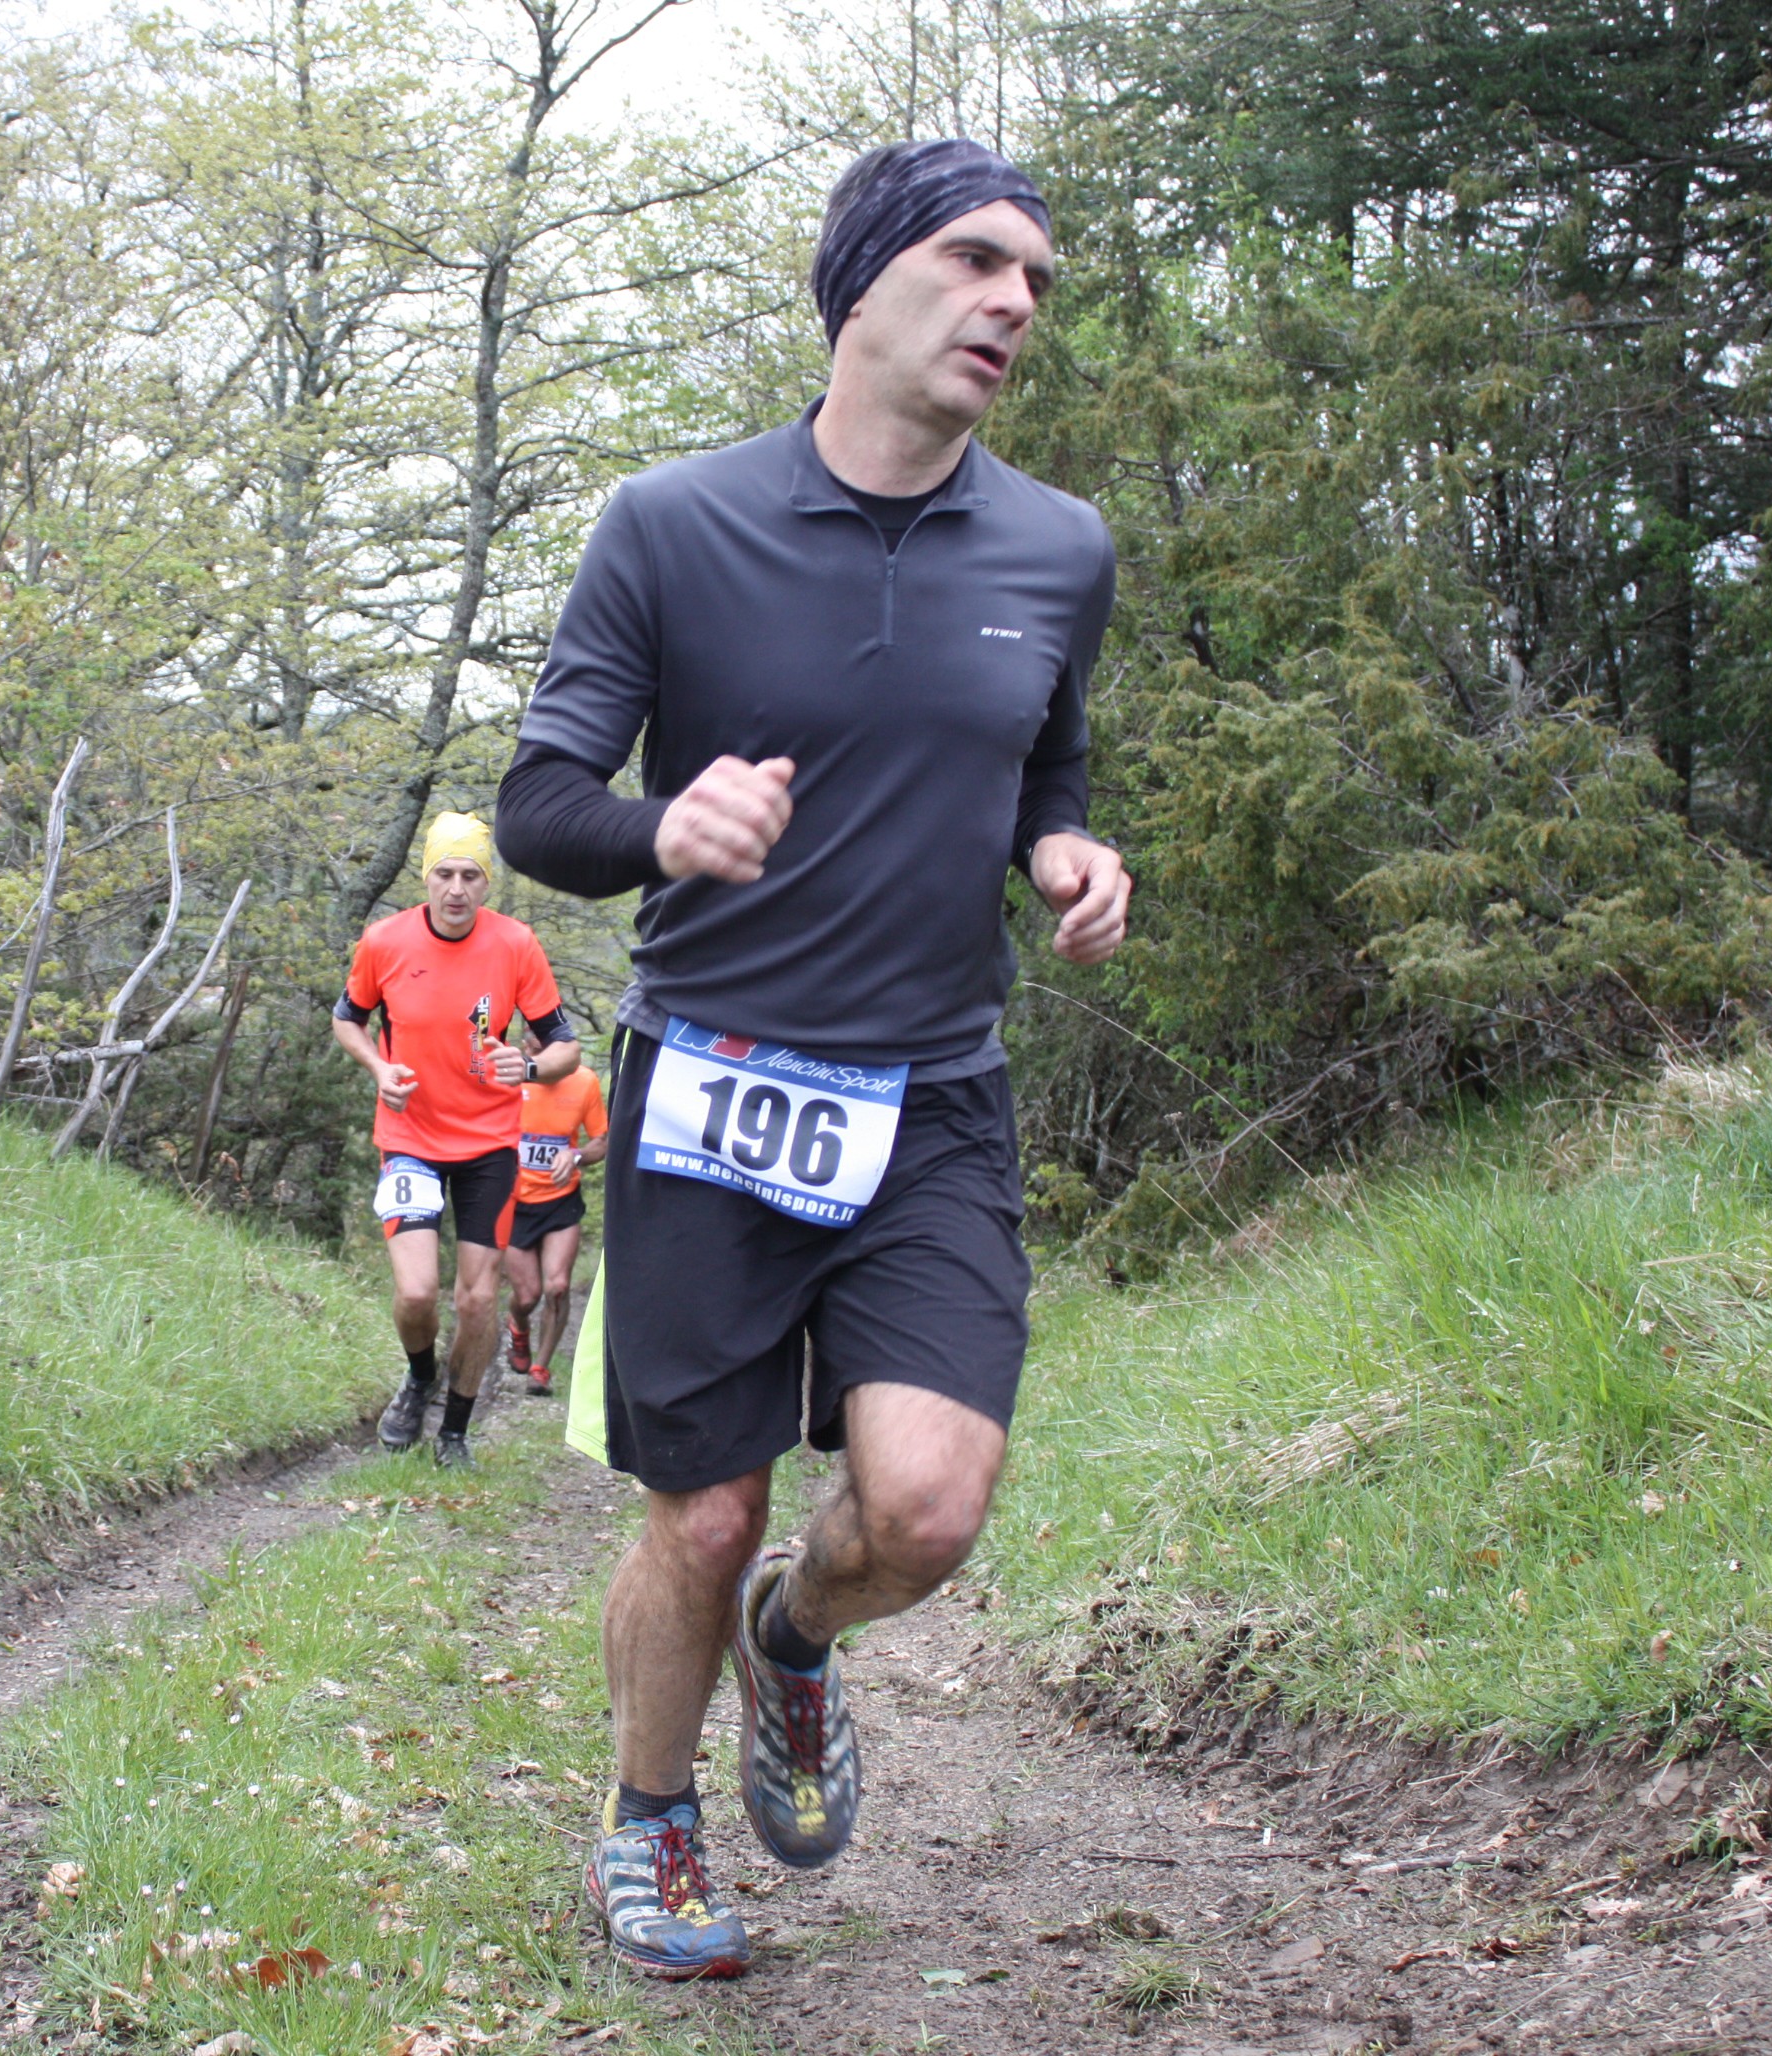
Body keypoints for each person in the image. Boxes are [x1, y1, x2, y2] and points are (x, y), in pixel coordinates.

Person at [494, 137, 1133, 1981]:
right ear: (859, 284)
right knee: (699, 1508)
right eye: (975, 261)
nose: (1013, 300)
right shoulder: (671, 524)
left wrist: (1066, 856)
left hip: (930, 1099)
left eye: (1035, 278)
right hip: (710, 1082)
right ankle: (649, 1818)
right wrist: (659, 830)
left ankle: (794, 1644)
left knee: (923, 1506)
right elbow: (543, 800)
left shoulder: (1056, 546)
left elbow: (1045, 767)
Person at [335, 812, 584, 1468]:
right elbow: (348, 1021)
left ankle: (455, 1433)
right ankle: (420, 1378)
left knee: (477, 1296)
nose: (456, 888)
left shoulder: (515, 945)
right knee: (418, 1292)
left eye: (470, 875)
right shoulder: (385, 942)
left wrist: (527, 1067)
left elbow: (566, 1046)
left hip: (489, 1145)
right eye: (444, 873)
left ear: (486, 884)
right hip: (409, 1134)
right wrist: (378, 1066)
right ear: (426, 878)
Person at [502, 1052, 608, 1395]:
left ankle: (540, 1369)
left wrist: (575, 1155)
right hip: (514, 1203)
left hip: (561, 1202)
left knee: (558, 1286)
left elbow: (600, 1140)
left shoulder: (584, 1080)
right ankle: (518, 1327)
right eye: (536, 1036)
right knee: (528, 1295)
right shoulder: (508, 1076)